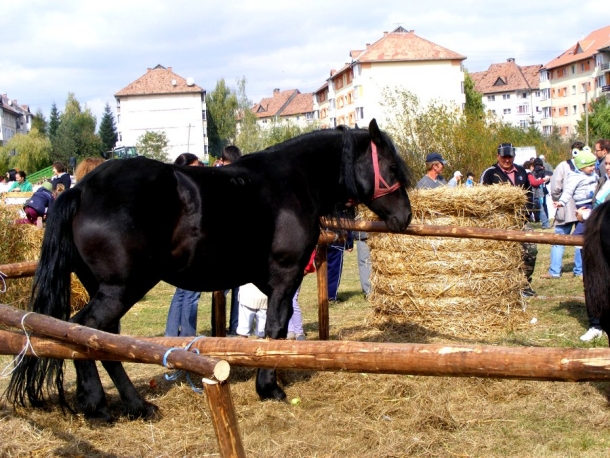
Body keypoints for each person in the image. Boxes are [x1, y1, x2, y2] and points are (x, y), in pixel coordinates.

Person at [481, 143, 537, 297]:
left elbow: (529, 193)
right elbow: (480, 197)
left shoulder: (521, 172)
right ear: (497, 156)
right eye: (504, 156)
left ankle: (525, 283)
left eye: (509, 156)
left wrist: (526, 212)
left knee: (531, 249)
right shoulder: (490, 173)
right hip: (498, 223)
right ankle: (500, 287)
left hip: (520, 221)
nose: (507, 159)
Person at [165, 153, 203, 337]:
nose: (200, 169)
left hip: (183, 246)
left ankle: (171, 335)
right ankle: (187, 335)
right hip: (190, 247)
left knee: (181, 293)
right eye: (196, 166)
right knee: (191, 294)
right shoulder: (188, 190)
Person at [541, 142, 588, 279]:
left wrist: (559, 201)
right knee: (581, 240)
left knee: (559, 240)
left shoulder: (562, 166)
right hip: (583, 209)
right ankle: (580, 271)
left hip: (566, 208)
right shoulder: (588, 167)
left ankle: (555, 271)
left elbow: (555, 187)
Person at [211, 145, 242, 335]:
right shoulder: (218, 179)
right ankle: (219, 327)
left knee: (237, 289)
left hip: (235, 239)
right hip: (222, 240)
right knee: (221, 289)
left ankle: (234, 326)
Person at [287, 249, 317, 340]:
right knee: (286, 300)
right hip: (284, 269)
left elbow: (311, 249)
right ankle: (290, 330)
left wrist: (306, 268)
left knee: (293, 299)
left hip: (296, 270)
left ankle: (299, 332)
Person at [529, 158, 551, 229]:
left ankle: (540, 221)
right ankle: (545, 222)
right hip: (540, 192)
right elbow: (547, 179)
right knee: (542, 207)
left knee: (537, 208)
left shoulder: (532, 173)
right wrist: (543, 180)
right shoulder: (543, 171)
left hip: (534, 193)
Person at [354, 231, 371, 296]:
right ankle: (368, 291)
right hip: (363, 235)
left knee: (364, 263)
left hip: (362, 234)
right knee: (365, 263)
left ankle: (368, 291)